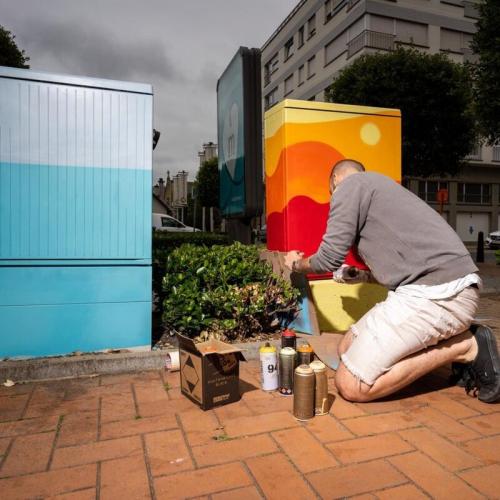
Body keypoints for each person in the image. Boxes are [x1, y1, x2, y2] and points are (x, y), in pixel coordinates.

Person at [284, 159, 500, 403]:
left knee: (351, 384)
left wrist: (295, 263)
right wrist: (362, 276)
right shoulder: (380, 191)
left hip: (440, 294)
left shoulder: (350, 186)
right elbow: (406, 269)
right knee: (345, 348)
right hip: (436, 290)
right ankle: (454, 339)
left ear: (334, 181)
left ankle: (465, 346)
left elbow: (328, 258)